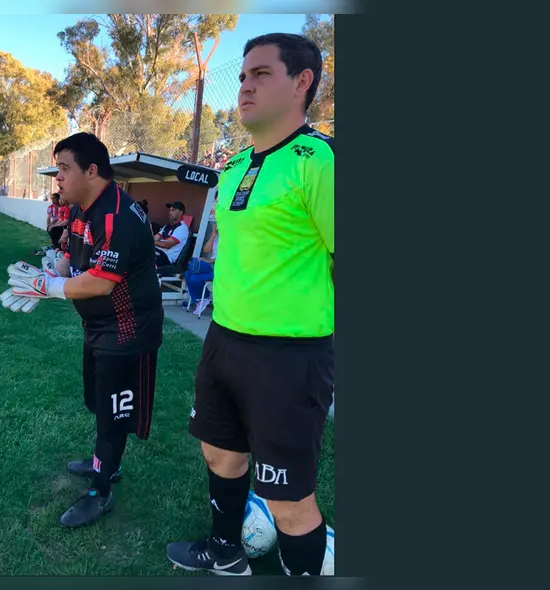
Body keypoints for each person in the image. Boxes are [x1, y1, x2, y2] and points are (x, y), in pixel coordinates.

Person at [165, 33, 335, 577]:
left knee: (288, 499)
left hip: (289, 356)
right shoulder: (236, 166)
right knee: (220, 454)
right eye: (241, 76)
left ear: (301, 82)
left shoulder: (320, 161)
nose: (244, 86)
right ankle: (225, 552)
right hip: (223, 340)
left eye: (260, 74)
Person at [0, 132, 164, 529]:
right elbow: (74, 262)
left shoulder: (118, 214)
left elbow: (101, 281)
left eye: (64, 168)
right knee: (98, 401)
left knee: (113, 412)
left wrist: (49, 289)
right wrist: (48, 274)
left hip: (128, 331)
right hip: (99, 326)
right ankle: (105, 462)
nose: (57, 177)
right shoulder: (81, 208)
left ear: (92, 171)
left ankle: (101, 490)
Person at [185, 225, 218, 315]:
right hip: (211, 266)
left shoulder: (229, 238)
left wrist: (209, 260)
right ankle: (200, 299)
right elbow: (206, 250)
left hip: (220, 268)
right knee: (188, 273)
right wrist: (213, 235)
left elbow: (227, 257)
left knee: (194, 276)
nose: (215, 225)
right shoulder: (217, 237)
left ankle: (204, 298)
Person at [152, 202, 189, 267]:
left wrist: (150, 241)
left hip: (166, 257)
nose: (170, 213)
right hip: (157, 251)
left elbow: (167, 245)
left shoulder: (182, 228)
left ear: (181, 213)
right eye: (170, 210)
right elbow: (155, 238)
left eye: (173, 210)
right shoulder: (167, 226)